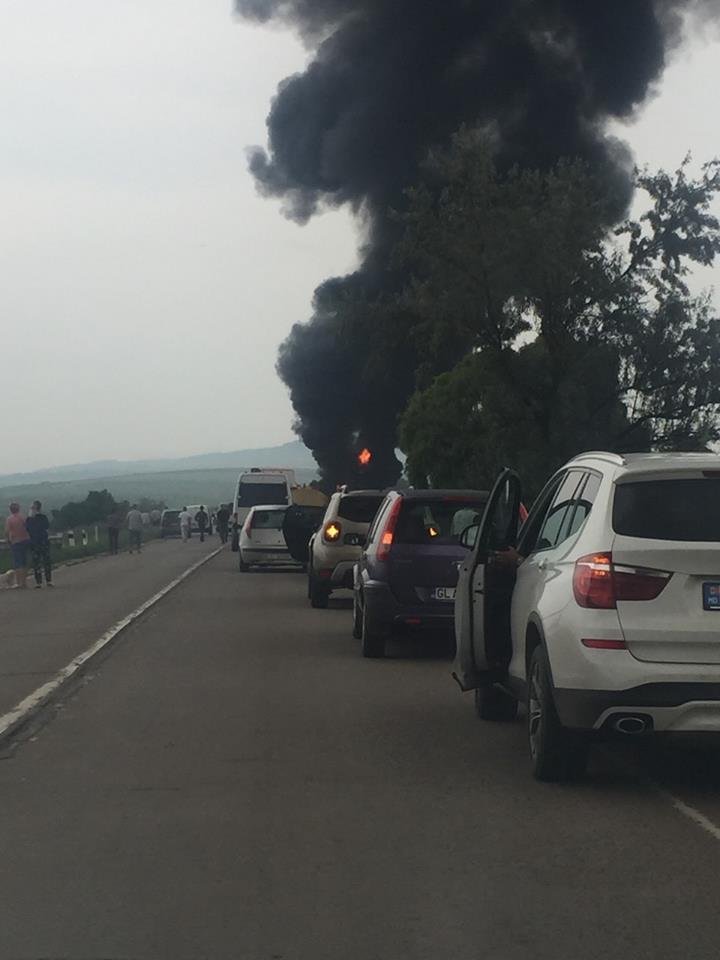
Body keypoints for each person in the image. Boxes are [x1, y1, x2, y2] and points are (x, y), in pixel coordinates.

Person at [26, 500, 53, 588]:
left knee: (36, 563)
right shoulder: (43, 517)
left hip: (34, 543)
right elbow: (47, 528)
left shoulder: (29, 519)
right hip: (44, 542)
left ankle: (39, 582)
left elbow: (27, 530)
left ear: (34, 508)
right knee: (46, 561)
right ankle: (48, 581)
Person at [4, 502, 31, 589]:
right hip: (25, 540)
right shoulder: (23, 517)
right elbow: (28, 527)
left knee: (18, 563)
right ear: (18, 509)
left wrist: (8, 540)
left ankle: (19, 583)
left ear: (11, 510)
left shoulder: (9, 519)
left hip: (15, 542)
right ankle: (24, 582)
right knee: (24, 562)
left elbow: (7, 531)